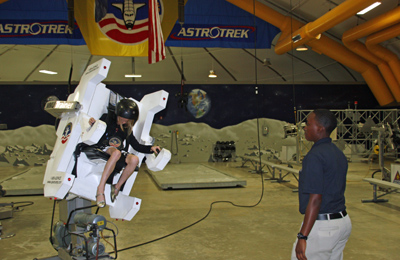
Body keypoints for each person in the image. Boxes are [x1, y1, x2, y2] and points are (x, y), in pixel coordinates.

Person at [291, 109, 352, 260]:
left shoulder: (314, 156)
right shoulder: (338, 153)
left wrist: (303, 236)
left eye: (308, 124)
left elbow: (316, 198)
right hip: (342, 222)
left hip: (324, 226)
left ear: (320, 128)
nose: (304, 127)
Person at [89, 98, 160, 208]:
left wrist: (151, 148)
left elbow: (136, 145)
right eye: (122, 119)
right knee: (116, 153)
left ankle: (117, 187)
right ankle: (100, 188)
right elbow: (97, 126)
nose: (124, 121)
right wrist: (93, 123)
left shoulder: (126, 128)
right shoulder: (107, 119)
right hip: (104, 147)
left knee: (134, 159)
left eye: (127, 120)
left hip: (117, 151)